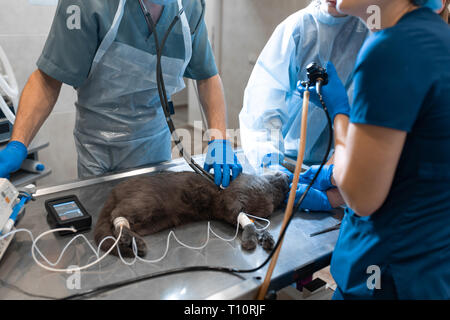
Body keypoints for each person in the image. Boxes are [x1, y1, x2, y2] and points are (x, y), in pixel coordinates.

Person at [0, 0, 242, 188]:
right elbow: (47, 80)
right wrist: (18, 144)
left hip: (155, 146)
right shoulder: (89, 4)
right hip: (98, 152)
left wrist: (219, 139)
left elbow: (207, 76)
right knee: (103, 230)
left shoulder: (189, 7)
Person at [299, 0, 450, 299]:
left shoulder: (391, 49)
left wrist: (340, 113)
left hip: (385, 279)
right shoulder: (436, 38)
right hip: (427, 274)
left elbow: (361, 197)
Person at [239, 0, 368, 210]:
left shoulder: (374, 36)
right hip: (290, 160)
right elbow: (262, 111)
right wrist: (270, 165)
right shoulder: (298, 28)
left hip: (349, 171)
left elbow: (370, 129)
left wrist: (334, 181)